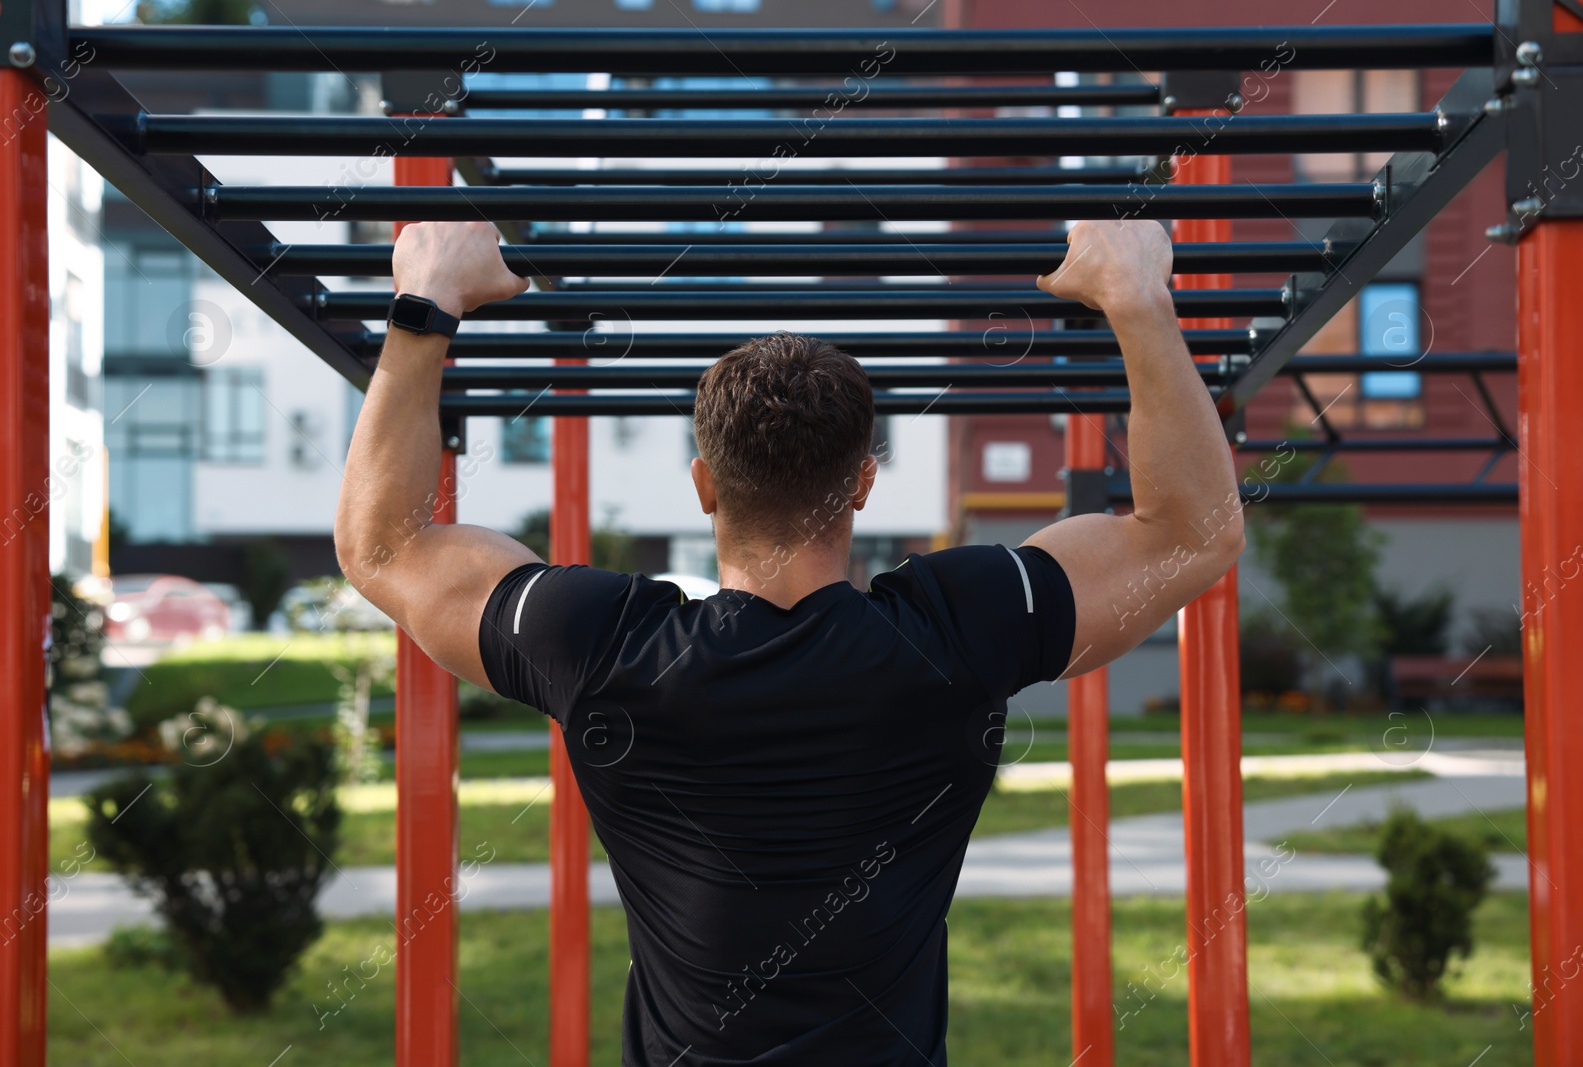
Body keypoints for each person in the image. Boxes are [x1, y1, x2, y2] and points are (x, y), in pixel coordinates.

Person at [335, 218, 1243, 1066]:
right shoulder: (960, 628)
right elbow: (1193, 532)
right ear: (861, 484)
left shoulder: (605, 646)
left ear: (703, 486)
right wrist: (1136, 298)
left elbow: (383, 547)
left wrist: (426, 306)